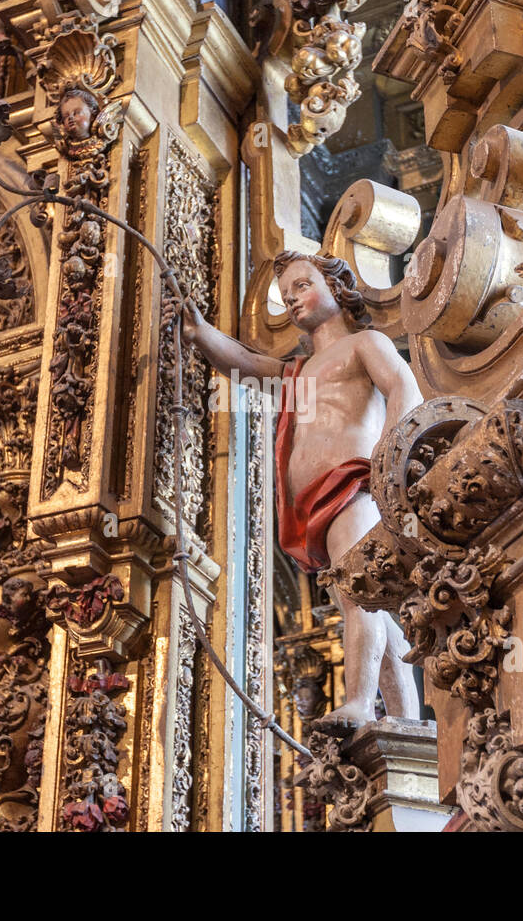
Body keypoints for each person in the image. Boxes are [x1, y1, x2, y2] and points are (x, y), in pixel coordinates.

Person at [168, 250, 422, 729]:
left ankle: (360, 703)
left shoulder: (364, 343)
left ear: (336, 288)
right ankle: (408, 721)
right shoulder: (297, 372)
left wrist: (389, 461)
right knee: (364, 601)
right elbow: (245, 362)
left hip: (354, 485)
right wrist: (200, 334)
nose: (293, 300)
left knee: (360, 593)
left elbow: (405, 388)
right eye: (286, 297)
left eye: (303, 286)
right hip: (316, 502)